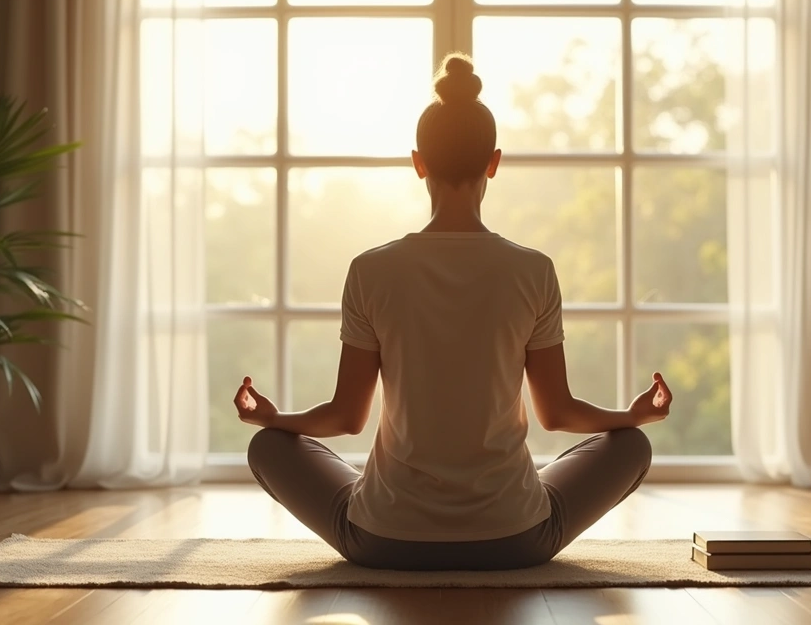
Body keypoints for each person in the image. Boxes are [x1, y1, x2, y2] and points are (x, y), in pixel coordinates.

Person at [235, 53, 673, 571]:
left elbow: (346, 418)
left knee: (269, 446)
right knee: (631, 448)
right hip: (516, 538)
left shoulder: (371, 270)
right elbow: (557, 414)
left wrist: (273, 417)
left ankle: (384, 500)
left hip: (384, 541)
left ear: (418, 162)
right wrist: (632, 416)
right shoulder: (533, 270)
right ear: (494, 162)